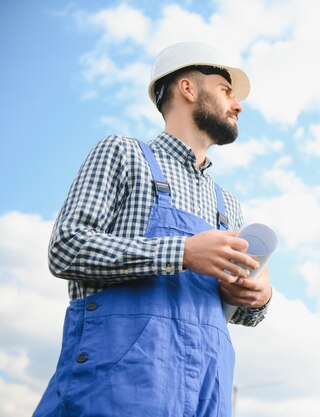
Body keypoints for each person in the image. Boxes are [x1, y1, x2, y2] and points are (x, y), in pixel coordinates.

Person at [33, 42, 272, 417]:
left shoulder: (229, 205)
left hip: (206, 392)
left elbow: (240, 314)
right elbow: (66, 247)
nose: (238, 104)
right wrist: (183, 252)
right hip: (120, 387)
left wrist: (257, 297)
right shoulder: (123, 153)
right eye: (226, 91)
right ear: (188, 89)